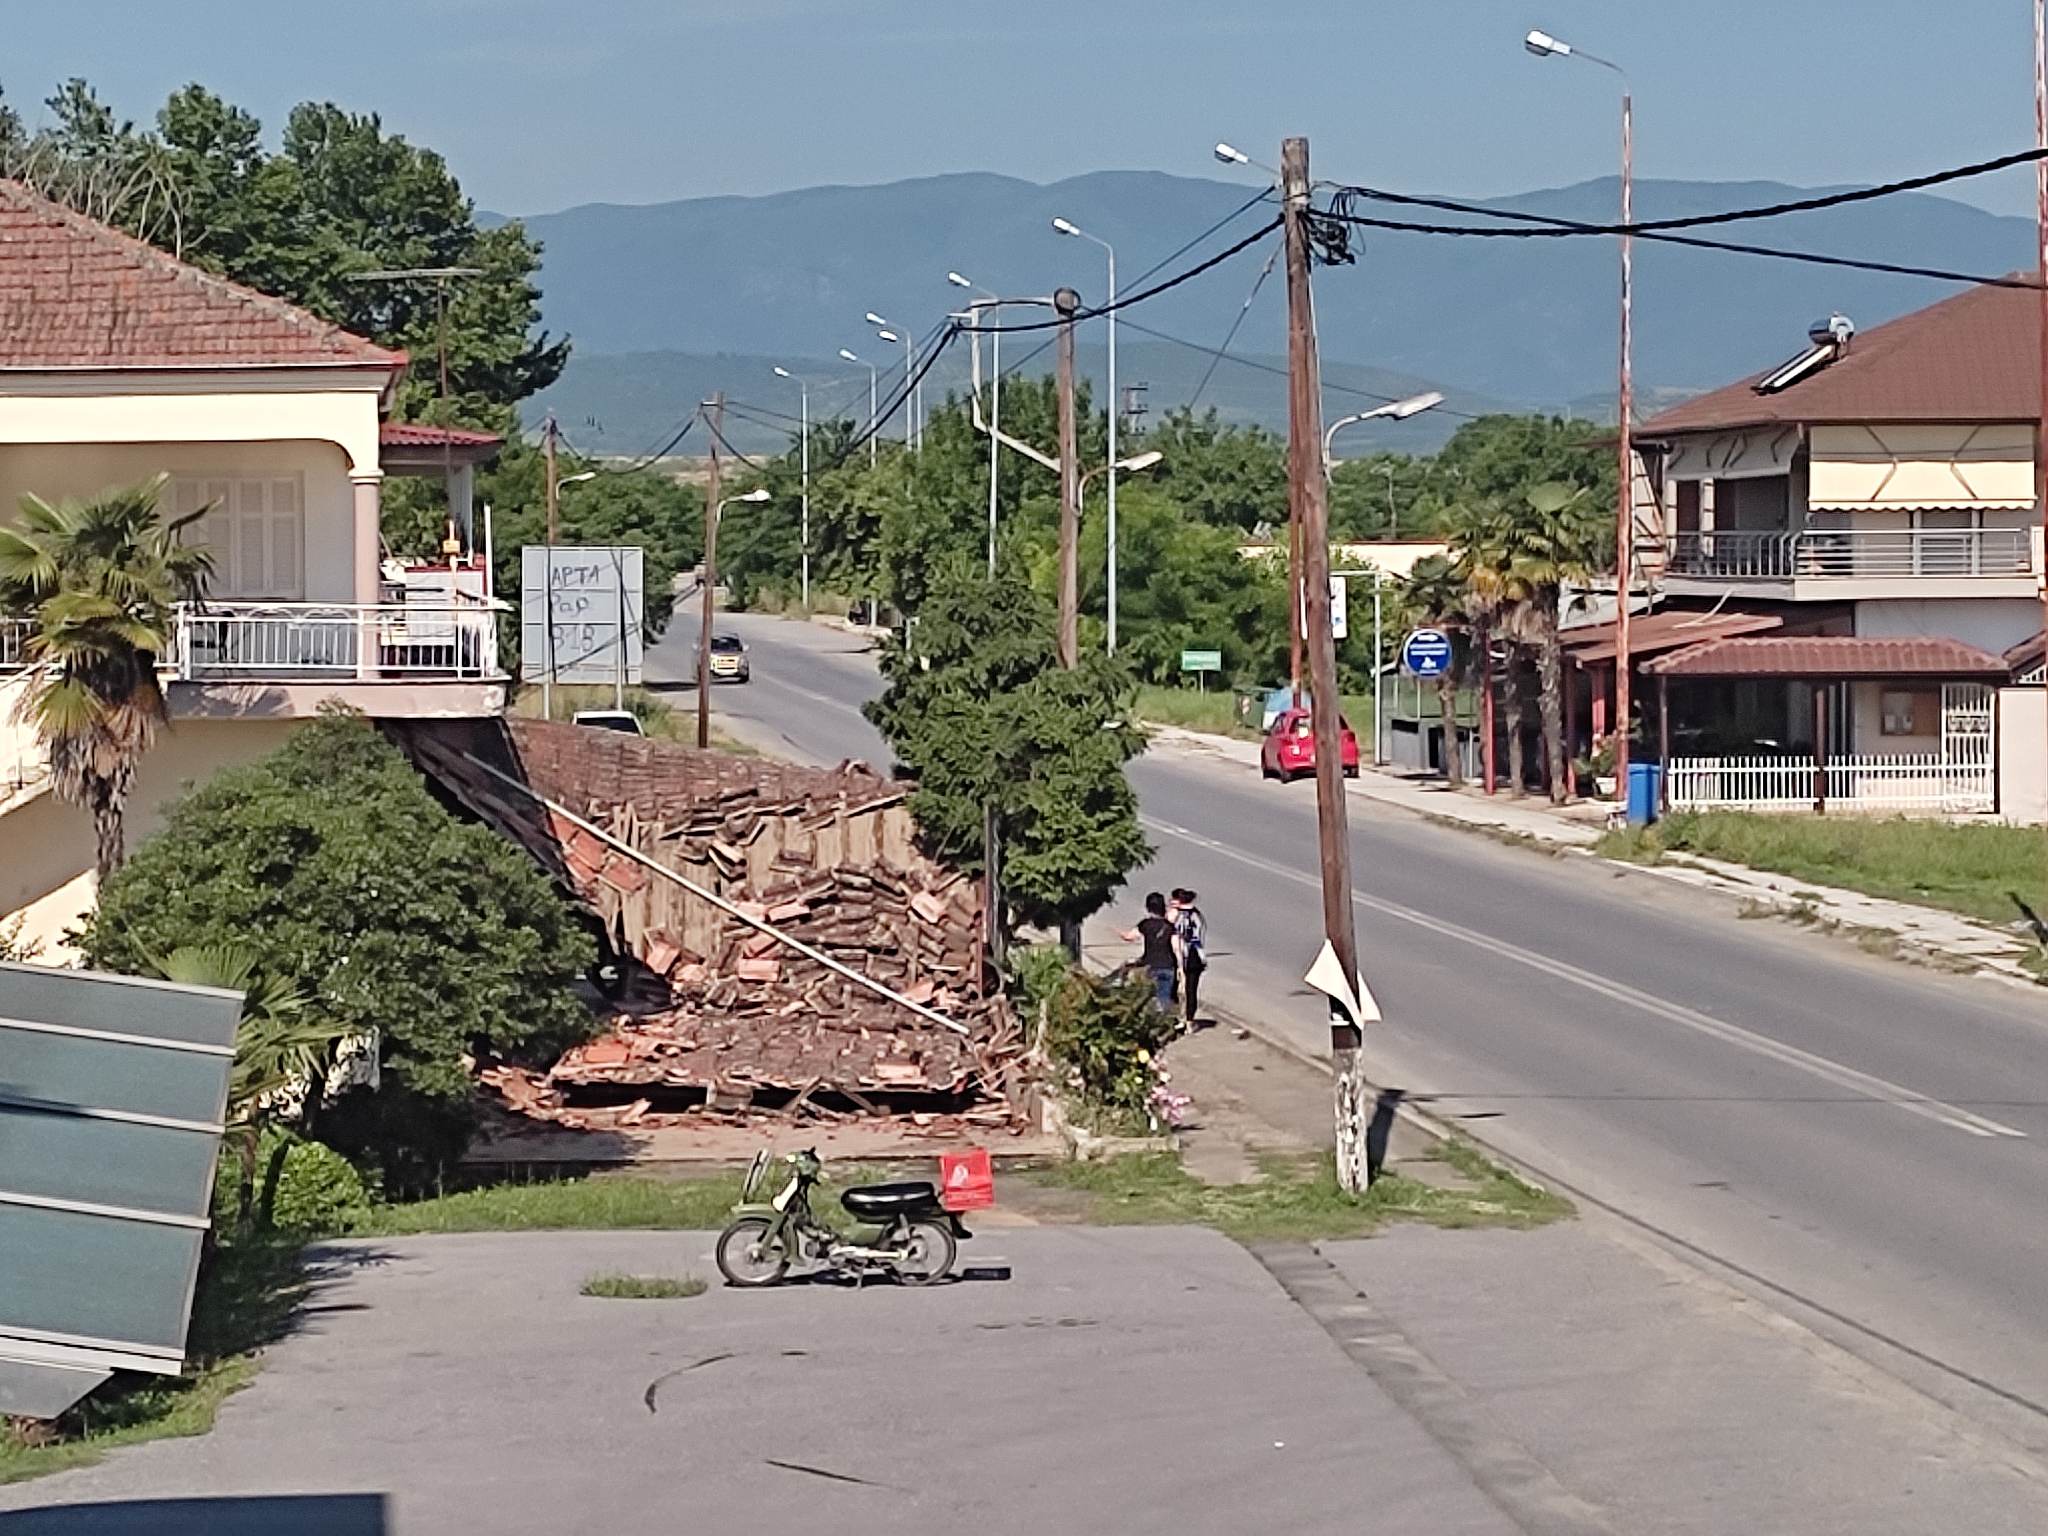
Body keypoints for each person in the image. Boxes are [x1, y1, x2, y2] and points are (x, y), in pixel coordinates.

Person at [1121, 891, 1180, 1011]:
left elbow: (1129, 937)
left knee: (1149, 998)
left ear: (1148, 908)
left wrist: (1117, 932)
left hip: (1150, 966)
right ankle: (1164, 1021)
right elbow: (1176, 948)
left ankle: (1153, 1021)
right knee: (1164, 998)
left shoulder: (1145, 925)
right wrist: (1181, 968)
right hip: (1168, 966)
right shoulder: (1169, 927)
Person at [1171, 888, 1207, 1027]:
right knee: (1192, 990)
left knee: (1175, 988)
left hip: (1184, 955)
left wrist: (1180, 964)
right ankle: (1190, 1021)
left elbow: (1178, 942)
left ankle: (1177, 1018)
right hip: (1197, 956)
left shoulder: (1180, 917)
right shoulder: (1198, 916)